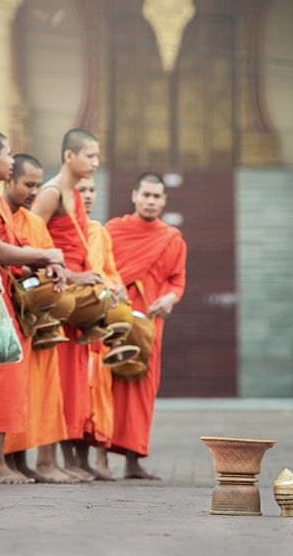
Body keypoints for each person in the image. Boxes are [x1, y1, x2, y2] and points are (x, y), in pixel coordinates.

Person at [0, 130, 66, 484]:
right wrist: (45, 254)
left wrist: (41, 266)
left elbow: (9, 251)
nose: (10, 160)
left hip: (1, 296)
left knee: (0, 379)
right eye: (7, 154)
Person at [31, 128, 104, 482]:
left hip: (74, 302)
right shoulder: (50, 192)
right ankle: (44, 461)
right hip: (56, 296)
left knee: (69, 384)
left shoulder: (73, 194)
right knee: (51, 381)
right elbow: (29, 241)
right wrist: (72, 277)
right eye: (90, 155)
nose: (96, 162)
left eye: (97, 156)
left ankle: (57, 459)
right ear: (69, 156)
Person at [1, 154, 77, 484]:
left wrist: (57, 271)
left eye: (37, 184)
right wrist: (39, 264)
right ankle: (8, 462)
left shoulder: (32, 221)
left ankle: (35, 462)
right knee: (11, 389)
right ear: (8, 180)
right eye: (28, 184)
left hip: (39, 319)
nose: (35, 191)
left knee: (42, 392)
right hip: (8, 313)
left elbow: (48, 253)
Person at [105, 172, 186, 479]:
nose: (151, 201)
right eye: (146, 195)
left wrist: (170, 299)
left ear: (164, 200)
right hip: (115, 318)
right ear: (134, 195)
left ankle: (132, 461)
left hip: (150, 322)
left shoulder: (172, 238)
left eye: (157, 196)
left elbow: (177, 280)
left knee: (143, 387)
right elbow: (100, 267)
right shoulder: (113, 230)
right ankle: (99, 458)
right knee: (108, 382)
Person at [76, 175, 128, 481]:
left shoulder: (99, 231)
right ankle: (78, 460)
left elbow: (109, 269)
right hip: (78, 320)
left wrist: (116, 286)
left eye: (92, 190)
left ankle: (101, 460)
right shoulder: (61, 226)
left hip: (101, 321)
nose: (88, 195)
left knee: (102, 394)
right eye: (81, 190)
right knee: (79, 392)